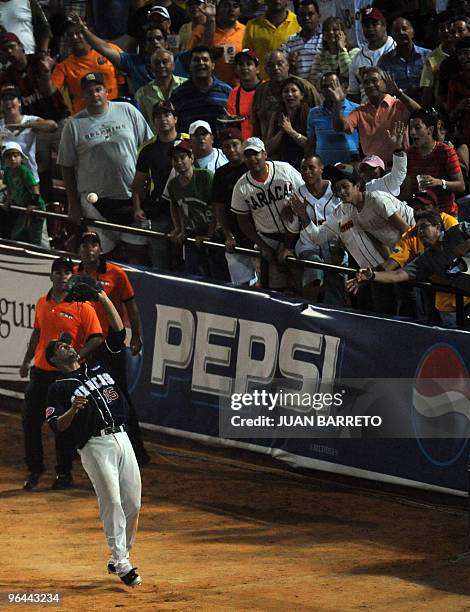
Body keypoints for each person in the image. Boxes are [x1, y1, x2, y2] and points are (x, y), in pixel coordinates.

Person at [45, 289, 142, 587]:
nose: (68, 346)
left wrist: (101, 296)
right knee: (111, 501)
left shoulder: (98, 364)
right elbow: (56, 426)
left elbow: (118, 331)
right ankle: (123, 563)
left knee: (133, 504)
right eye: (61, 347)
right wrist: (72, 410)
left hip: (122, 438)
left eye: (67, 343)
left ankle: (119, 556)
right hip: (95, 446)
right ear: (54, 359)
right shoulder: (59, 388)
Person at [19, 257, 104, 491]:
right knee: (30, 422)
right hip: (40, 372)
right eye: (58, 272)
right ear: (51, 276)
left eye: (67, 272)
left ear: (72, 276)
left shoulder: (83, 306)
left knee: (62, 425)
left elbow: (97, 337)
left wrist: (78, 355)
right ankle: (34, 469)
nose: (63, 276)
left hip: (64, 376)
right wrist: (27, 361)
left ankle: (64, 472)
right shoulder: (41, 303)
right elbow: (37, 334)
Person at [58, 72, 153, 259]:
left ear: (106, 91)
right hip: (95, 202)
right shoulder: (73, 125)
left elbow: (148, 147)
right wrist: (74, 204)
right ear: (82, 95)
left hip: (131, 196)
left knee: (138, 252)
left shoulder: (127, 110)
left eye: (98, 90)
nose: (95, 95)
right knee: (103, 255)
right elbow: (66, 166)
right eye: (89, 92)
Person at [74, 231, 149, 464]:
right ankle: (86, 447)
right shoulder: (75, 275)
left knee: (119, 395)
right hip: (85, 346)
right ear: (79, 251)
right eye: (84, 245)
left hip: (110, 346)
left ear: (100, 248)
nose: (89, 249)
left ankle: (137, 451)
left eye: (93, 244)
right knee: (83, 396)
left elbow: (132, 307)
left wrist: (136, 336)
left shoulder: (116, 273)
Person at [347, 211, 470, 328]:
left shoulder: (457, 233)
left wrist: (466, 245)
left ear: (438, 228)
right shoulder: (426, 260)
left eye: (424, 227)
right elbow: (398, 274)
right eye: (418, 229)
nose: (420, 232)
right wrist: (373, 276)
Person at [0, 32, 68, 200]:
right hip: (36, 127)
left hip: (58, 118)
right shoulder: (7, 77)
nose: (9, 52)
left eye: (12, 47)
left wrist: (46, 74)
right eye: (5, 50)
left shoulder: (38, 62)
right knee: (41, 166)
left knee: (71, 162)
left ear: (21, 46)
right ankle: (46, 203)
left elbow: (48, 93)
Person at [231, 137, 303, 289]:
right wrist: (262, 245)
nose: (252, 158)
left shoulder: (284, 169)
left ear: (265, 154)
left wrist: (291, 202)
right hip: (268, 238)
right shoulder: (241, 186)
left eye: (256, 154)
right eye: (248, 155)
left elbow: (305, 191)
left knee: (300, 284)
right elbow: (242, 221)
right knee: (273, 289)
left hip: (297, 237)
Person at [132, 100, 185, 270]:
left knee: (189, 256)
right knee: (159, 258)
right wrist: (137, 208)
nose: (163, 119)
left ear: (175, 118)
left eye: (167, 114)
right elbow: (138, 183)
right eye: (158, 116)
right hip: (160, 210)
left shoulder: (188, 142)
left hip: (187, 209)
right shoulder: (147, 149)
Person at [330, 66, 420, 164]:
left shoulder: (398, 104)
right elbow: (339, 127)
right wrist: (337, 103)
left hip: (398, 164)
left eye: (374, 80)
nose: (370, 85)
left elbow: (419, 113)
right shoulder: (360, 111)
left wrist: (398, 93)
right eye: (366, 82)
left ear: (383, 82)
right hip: (372, 170)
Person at [290, 154, 347, 305]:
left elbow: (347, 221)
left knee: (338, 287)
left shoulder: (336, 189)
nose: (307, 172)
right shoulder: (297, 194)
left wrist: (341, 246)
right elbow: (292, 227)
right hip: (308, 244)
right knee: (314, 270)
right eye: (303, 168)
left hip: (336, 244)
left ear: (321, 169)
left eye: (311, 167)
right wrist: (287, 247)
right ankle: (307, 310)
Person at [68, 13, 167, 92]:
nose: (155, 42)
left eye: (159, 38)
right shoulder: (134, 63)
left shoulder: (178, 61)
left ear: (166, 43)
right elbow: (105, 48)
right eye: (150, 39)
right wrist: (84, 31)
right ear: (145, 45)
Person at [51, 16, 123, 114]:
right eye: (70, 35)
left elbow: (125, 82)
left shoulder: (110, 50)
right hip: (84, 118)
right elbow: (50, 90)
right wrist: (46, 72)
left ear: (88, 32)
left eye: (78, 32)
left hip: (115, 110)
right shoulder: (63, 67)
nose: (75, 37)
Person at [212, 127, 256, 285]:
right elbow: (219, 208)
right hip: (236, 237)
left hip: (260, 236)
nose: (231, 150)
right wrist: (228, 235)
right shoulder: (221, 174)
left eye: (235, 145)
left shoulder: (254, 168)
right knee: (242, 286)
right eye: (226, 146)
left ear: (243, 145)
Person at [166, 139, 215, 277]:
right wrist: (179, 228)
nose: (179, 162)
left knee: (218, 276)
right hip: (192, 236)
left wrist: (209, 235)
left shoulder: (205, 176)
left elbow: (217, 208)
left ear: (191, 158)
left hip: (214, 235)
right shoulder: (173, 185)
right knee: (194, 276)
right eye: (175, 159)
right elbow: (176, 207)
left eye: (182, 158)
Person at [403, 108, 465, 216]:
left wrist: (439, 182)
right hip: (421, 215)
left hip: (445, 214)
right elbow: (408, 191)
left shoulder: (446, 151)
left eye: (417, 128)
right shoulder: (409, 154)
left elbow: (461, 186)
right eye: (411, 128)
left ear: (430, 130)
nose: (412, 132)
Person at [251, 49, 320, 141]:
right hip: (271, 146)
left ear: (287, 66)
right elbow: (256, 123)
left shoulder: (305, 87)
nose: (276, 68)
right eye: (271, 65)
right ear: (265, 69)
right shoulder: (261, 91)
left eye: (280, 64)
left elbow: (320, 115)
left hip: (303, 144)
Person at [170, 45, 232, 142]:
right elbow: (176, 128)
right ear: (189, 66)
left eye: (205, 59)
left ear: (213, 65)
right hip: (190, 151)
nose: (201, 63)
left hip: (222, 151)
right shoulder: (179, 95)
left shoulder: (226, 91)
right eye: (196, 60)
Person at [187, 0, 245, 87]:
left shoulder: (246, 31)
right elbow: (189, 58)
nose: (231, 9)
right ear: (217, 9)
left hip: (238, 88)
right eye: (226, 6)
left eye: (235, 6)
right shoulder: (200, 30)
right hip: (208, 88)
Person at [306, 72, 359, 165]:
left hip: (351, 166)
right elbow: (311, 143)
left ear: (342, 87)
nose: (329, 89)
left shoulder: (356, 109)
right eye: (325, 86)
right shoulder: (313, 113)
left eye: (333, 85)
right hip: (324, 167)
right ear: (321, 90)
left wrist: (337, 102)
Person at [347, 7, 396, 103]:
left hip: (395, 109)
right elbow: (353, 95)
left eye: (374, 24)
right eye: (366, 26)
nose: (370, 29)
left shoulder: (396, 48)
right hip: (367, 111)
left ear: (384, 25)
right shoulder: (357, 59)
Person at [2, 141, 46, 246]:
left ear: (21, 157)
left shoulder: (24, 171)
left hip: (36, 208)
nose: (12, 159)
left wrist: (33, 204)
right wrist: (8, 201)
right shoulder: (8, 171)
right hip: (23, 208)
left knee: (35, 238)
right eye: (9, 157)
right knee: (17, 235)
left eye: (15, 155)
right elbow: (9, 188)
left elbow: (35, 188)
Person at [242, 0, 300, 79]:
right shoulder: (253, 25)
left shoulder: (299, 23)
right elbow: (247, 52)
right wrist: (258, 60)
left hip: (290, 83)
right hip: (262, 82)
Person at [135, 49, 187, 132]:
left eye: (165, 62)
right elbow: (141, 125)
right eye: (157, 63)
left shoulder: (186, 86)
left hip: (185, 140)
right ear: (151, 67)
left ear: (173, 66)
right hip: (156, 142)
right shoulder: (142, 94)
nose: (161, 65)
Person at [378, 17, 430, 98]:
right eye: (397, 31)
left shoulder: (427, 55)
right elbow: (382, 89)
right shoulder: (385, 61)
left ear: (412, 31)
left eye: (404, 29)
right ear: (392, 35)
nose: (401, 33)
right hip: (397, 105)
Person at [265, 76, 309, 169]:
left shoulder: (309, 114)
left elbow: (311, 145)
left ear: (302, 95)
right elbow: (267, 148)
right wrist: (282, 131)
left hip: (304, 163)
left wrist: (291, 131)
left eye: (294, 91)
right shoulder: (277, 115)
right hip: (282, 164)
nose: (289, 94)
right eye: (286, 91)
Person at [308, 16, 359, 87]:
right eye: (327, 30)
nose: (331, 32)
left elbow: (348, 74)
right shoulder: (320, 57)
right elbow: (313, 81)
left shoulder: (354, 52)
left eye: (335, 30)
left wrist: (342, 49)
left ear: (343, 33)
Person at [282, 0, 322, 80]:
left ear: (318, 16)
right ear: (297, 18)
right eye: (302, 15)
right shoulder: (290, 42)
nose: (306, 18)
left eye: (310, 14)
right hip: (299, 89)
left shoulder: (326, 39)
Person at [227, 48, 261, 140]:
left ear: (257, 69)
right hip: (242, 145)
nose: (244, 67)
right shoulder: (233, 93)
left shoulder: (266, 89)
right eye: (241, 64)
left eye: (249, 64)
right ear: (236, 70)